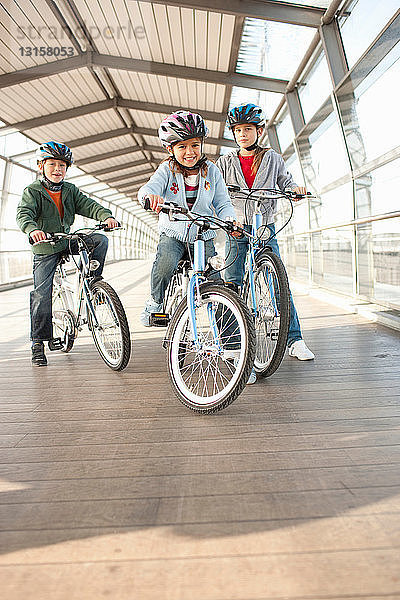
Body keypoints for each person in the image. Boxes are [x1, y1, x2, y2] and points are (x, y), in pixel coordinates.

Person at [217, 103, 315, 374]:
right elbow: (216, 192)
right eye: (238, 131)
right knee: (232, 283)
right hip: (236, 227)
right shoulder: (225, 162)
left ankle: (294, 340)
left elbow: (285, 182)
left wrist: (294, 190)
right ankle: (231, 343)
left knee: (278, 282)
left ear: (259, 130)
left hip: (265, 226)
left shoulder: (272, 158)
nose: (243, 135)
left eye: (248, 129)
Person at [16, 141, 119, 367]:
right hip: (45, 247)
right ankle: (38, 343)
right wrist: (33, 230)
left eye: (62, 165)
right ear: (41, 166)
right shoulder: (32, 191)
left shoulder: (70, 190)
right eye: (51, 164)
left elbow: (89, 205)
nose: (57, 169)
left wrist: (106, 216)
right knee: (42, 294)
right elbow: (24, 214)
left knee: (99, 239)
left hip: (65, 241)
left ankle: (93, 280)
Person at [138, 110, 236, 326]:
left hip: (203, 236)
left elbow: (222, 201)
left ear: (202, 144)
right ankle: (155, 302)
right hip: (174, 234)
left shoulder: (211, 170)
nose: (189, 152)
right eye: (182, 147)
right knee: (165, 264)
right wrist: (149, 196)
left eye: (194, 145)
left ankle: (231, 340)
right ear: (170, 149)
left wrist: (230, 219)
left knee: (215, 280)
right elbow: (149, 188)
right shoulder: (167, 169)